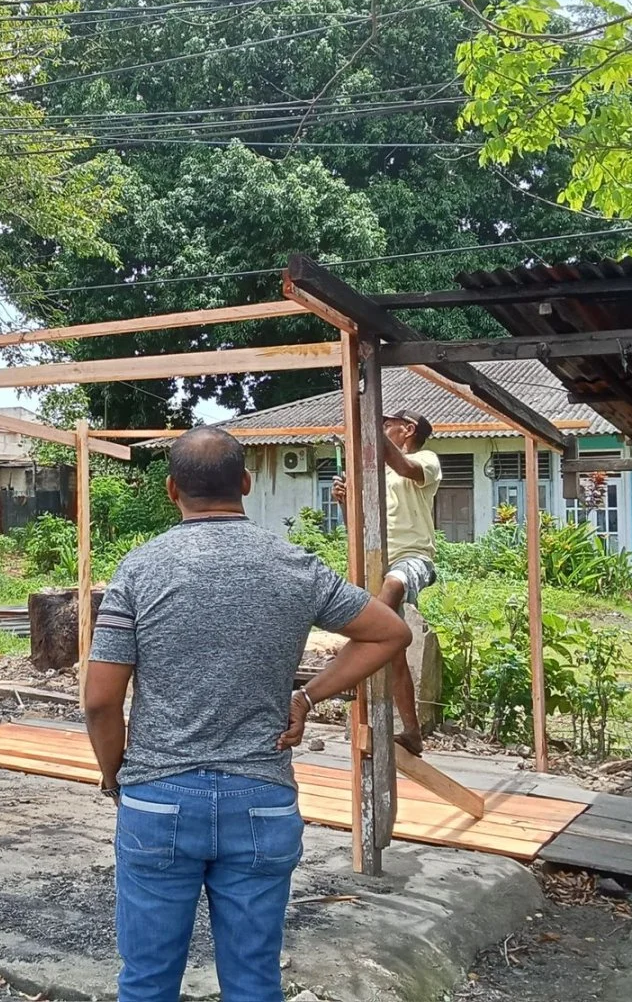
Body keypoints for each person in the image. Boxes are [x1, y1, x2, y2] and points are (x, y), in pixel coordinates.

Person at [84, 428, 412, 1001]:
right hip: (261, 799)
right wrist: (307, 696)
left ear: (170, 490)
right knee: (255, 982)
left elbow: (100, 699)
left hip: (159, 799)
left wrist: (115, 771)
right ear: (245, 482)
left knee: (146, 981)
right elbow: (389, 633)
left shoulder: (139, 570)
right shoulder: (294, 566)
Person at [332, 408, 442, 755]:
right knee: (390, 645)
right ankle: (412, 732)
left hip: (412, 558)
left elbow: (404, 466)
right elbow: (357, 530)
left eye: (386, 424)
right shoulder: (374, 475)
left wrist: (368, 428)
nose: (380, 429)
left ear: (407, 429)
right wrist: (345, 504)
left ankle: (347, 659)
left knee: (387, 597)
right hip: (376, 559)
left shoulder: (426, 459)